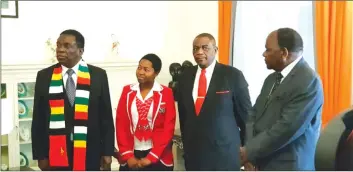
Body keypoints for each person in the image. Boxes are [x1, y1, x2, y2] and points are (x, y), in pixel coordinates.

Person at [241, 28, 324, 170]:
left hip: (289, 166)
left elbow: (286, 128)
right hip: (261, 162)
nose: (264, 54)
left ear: (284, 53)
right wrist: (250, 153)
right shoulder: (271, 79)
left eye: (268, 50)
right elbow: (253, 115)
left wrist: (248, 152)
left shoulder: (308, 81)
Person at [31, 29, 115, 171]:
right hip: (56, 152)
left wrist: (107, 152)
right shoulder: (44, 76)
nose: (60, 50)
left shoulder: (98, 75)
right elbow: (38, 119)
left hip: (90, 151)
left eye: (67, 45)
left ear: (80, 50)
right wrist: (40, 155)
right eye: (58, 45)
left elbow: (106, 116)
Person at [176, 33, 252, 170]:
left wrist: (248, 153)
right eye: (195, 48)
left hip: (225, 155)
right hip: (194, 157)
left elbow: (247, 118)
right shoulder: (184, 77)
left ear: (215, 50)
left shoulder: (233, 75)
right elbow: (184, 116)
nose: (199, 52)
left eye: (205, 48)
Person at [116, 53, 176, 171]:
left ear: (156, 73)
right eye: (139, 68)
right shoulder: (127, 91)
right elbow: (121, 125)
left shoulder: (166, 93)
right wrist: (128, 155)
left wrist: (152, 156)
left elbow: (168, 127)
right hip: (132, 152)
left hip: (159, 154)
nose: (141, 72)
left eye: (146, 69)